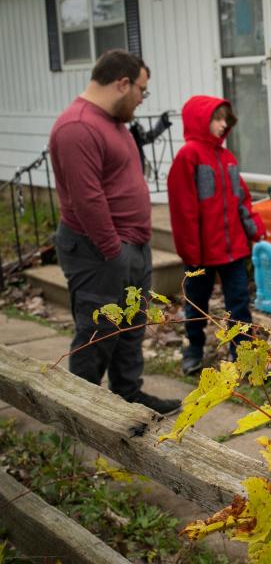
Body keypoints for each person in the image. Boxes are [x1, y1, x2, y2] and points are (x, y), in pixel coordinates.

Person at [49, 49, 180, 416]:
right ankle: (82, 410)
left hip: (131, 245)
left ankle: (127, 395)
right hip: (99, 250)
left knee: (131, 326)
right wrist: (113, 251)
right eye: (142, 90)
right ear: (122, 83)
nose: (141, 99)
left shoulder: (113, 122)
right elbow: (86, 198)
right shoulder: (77, 126)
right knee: (98, 331)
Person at [166, 96, 265, 376]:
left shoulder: (228, 158)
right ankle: (193, 348)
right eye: (217, 119)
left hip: (234, 248)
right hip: (201, 253)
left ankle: (242, 354)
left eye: (226, 120)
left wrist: (254, 228)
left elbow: (241, 199)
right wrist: (190, 251)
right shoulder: (189, 156)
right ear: (201, 120)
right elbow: (183, 208)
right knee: (197, 304)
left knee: (239, 303)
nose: (223, 125)